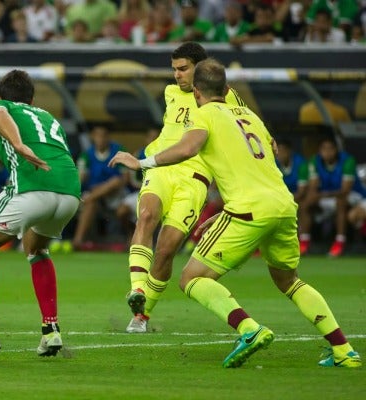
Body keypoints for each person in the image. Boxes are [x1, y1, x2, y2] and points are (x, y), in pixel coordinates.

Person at [109, 58, 361, 369]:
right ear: (227, 89)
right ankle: (343, 350)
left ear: (198, 94)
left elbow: (187, 148)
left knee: (191, 278)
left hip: (248, 209)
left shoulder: (204, 115)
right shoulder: (251, 116)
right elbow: (264, 157)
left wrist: (142, 162)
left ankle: (248, 329)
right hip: (283, 205)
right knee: (289, 281)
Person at [0, 69, 81, 362]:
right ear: (32, 99)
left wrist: (18, 144)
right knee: (36, 248)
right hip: (70, 193)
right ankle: (51, 329)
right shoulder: (47, 117)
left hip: (31, 188)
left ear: (0, 95)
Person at [122, 41, 247, 334]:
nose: (176, 75)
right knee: (147, 215)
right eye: (174, 69)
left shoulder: (226, 99)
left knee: (166, 249)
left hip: (195, 178)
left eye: (183, 69)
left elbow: (247, 127)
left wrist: (267, 140)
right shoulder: (170, 93)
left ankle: (142, 315)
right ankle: (137, 289)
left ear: (200, 69)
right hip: (162, 168)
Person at [298, 137, 362, 257]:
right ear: (319, 151)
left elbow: (345, 190)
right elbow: (313, 187)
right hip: (327, 196)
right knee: (306, 203)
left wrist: (321, 195)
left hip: (353, 195)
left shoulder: (348, 160)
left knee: (340, 202)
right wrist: (314, 196)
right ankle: (304, 241)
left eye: (330, 149)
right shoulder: (314, 161)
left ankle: (339, 242)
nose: (327, 152)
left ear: (336, 150)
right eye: (324, 149)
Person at [72, 125, 127, 250]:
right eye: (97, 136)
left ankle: (88, 199)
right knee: (91, 203)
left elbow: (124, 179)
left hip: (115, 194)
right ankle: (78, 241)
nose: (100, 139)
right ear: (93, 137)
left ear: (108, 137)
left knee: (114, 181)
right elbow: (80, 178)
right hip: (95, 195)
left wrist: (103, 187)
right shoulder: (86, 155)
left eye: (103, 136)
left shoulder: (119, 151)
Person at [275, 139, 309, 203]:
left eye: (282, 151)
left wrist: (284, 201)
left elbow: (301, 193)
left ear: (289, 151)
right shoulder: (274, 164)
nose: (280, 154)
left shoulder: (301, 164)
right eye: (277, 151)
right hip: (283, 198)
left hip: (299, 198)